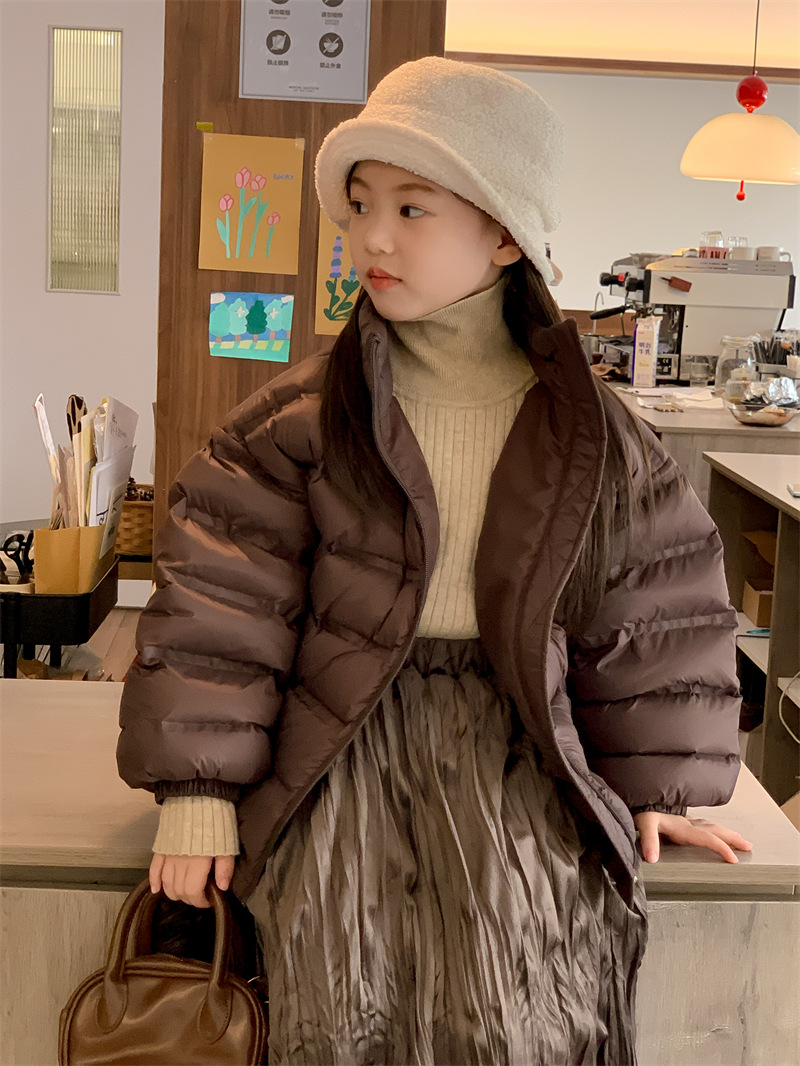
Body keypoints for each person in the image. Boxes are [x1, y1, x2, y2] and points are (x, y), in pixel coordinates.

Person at [118, 57, 752, 1065]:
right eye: (361, 204)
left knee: (522, 998)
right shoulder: (294, 425)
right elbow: (221, 609)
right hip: (342, 739)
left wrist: (653, 786)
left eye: (412, 208)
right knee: (334, 990)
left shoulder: (598, 438)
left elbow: (652, 609)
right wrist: (197, 794)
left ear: (503, 234)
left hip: (517, 739)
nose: (371, 236)